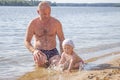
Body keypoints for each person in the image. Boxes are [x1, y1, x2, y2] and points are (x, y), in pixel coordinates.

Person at [24, 1, 65, 67]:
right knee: (40, 69)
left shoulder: (56, 23)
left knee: (58, 66)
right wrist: (34, 51)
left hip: (53, 51)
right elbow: (26, 41)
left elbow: (62, 40)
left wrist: (63, 55)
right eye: (44, 13)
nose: (47, 15)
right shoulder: (33, 24)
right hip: (39, 51)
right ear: (38, 12)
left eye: (49, 13)